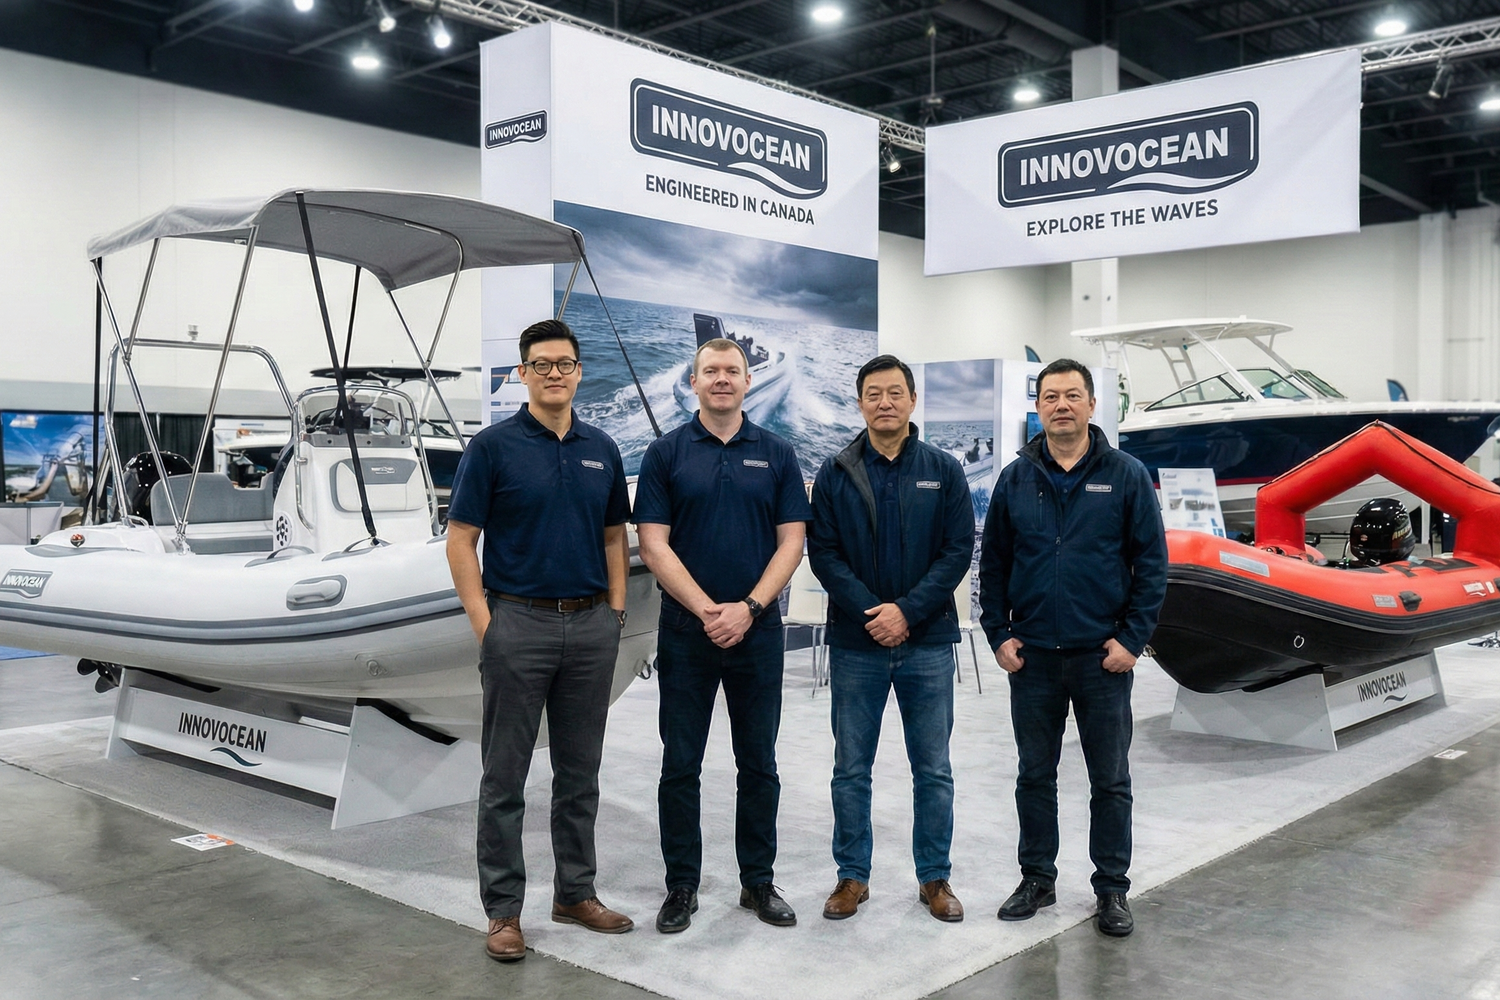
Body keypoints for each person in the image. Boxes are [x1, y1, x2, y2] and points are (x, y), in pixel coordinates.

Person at [446, 318, 635, 963]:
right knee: (505, 778)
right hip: (517, 624)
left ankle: (575, 893)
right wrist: (486, 625)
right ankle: (503, 911)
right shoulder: (492, 447)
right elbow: (461, 539)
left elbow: (614, 536)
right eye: (542, 364)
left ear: (579, 372)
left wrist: (614, 614)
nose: (555, 373)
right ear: (522, 373)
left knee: (580, 774)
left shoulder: (602, 449)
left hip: (590, 625)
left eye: (565, 363)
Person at [979, 358, 1167, 938]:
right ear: (1038, 407)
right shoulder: (1015, 478)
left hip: (1101, 660)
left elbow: (1152, 566)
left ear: (1091, 404)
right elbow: (994, 564)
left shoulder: (1126, 474)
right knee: (1034, 776)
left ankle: (1111, 888)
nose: (1061, 405)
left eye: (1072, 396)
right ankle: (1037, 878)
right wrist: (998, 634)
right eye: (1050, 397)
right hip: (1033, 658)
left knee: (1110, 780)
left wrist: (1132, 640)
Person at [634, 336, 811, 933]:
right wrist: (710, 610)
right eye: (710, 370)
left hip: (757, 635)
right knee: (680, 764)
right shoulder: (665, 453)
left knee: (758, 763)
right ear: (694, 380)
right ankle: (681, 886)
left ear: (747, 378)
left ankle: (757, 882)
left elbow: (792, 542)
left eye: (732, 370)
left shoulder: (778, 453)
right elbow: (652, 544)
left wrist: (750, 608)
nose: (721, 379)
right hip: (687, 634)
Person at [807, 354, 975, 923]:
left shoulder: (943, 469)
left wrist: (906, 611)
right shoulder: (835, 471)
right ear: (860, 403)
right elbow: (824, 553)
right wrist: (871, 614)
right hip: (857, 646)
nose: (885, 402)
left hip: (927, 642)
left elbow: (957, 550)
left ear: (912, 400)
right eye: (874, 394)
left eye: (895, 392)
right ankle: (852, 876)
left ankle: (935, 878)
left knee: (934, 770)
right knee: (851, 769)